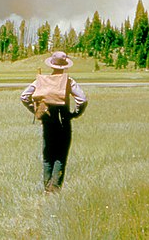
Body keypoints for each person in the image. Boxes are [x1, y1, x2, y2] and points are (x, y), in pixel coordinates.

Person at [21, 51, 88, 193]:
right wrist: (75, 113)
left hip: (47, 121)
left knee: (48, 156)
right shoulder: (68, 81)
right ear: (65, 66)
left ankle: (47, 189)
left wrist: (36, 111)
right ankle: (55, 190)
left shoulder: (41, 80)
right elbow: (82, 100)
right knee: (60, 156)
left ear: (51, 64)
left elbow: (24, 96)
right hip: (63, 122)